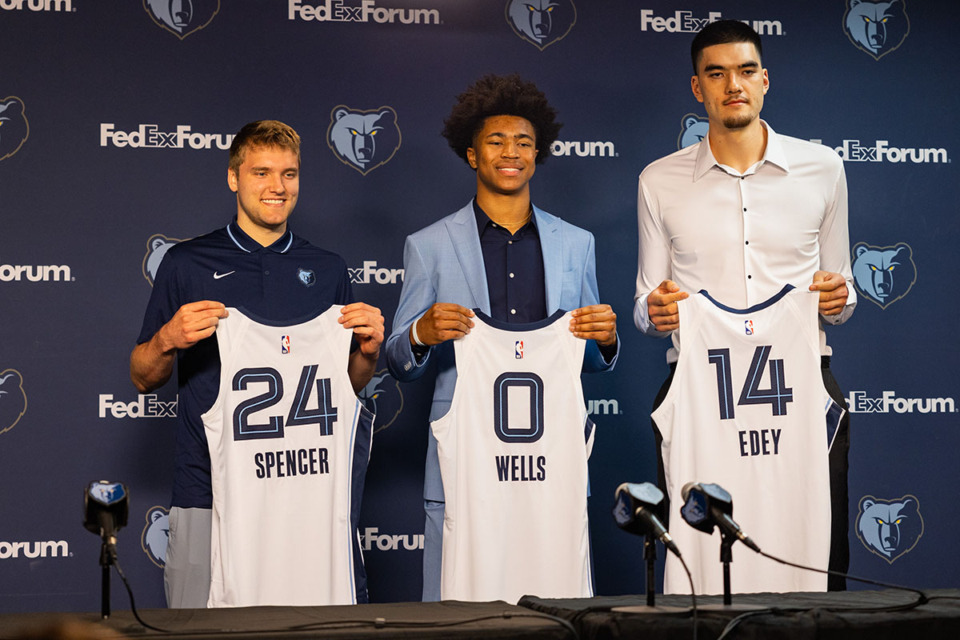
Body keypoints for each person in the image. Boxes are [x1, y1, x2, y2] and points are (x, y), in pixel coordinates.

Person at [634, 20, 855, 592]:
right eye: (717, 73)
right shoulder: (659, 180)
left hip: (801, 384)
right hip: (699, 387)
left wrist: (841, 297)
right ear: (697, 88)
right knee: (699, 548)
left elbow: (843, 290)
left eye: (745, 70)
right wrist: (653, 311)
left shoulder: (823, 168)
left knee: (818, 553)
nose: (733, 84)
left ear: (764, 80)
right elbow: (645, 302)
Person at [130, 120, 384, 607]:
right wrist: (166, 338)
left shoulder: (328, 268)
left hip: (308, 490)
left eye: (289, 174)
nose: (277, 187)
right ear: (234, 177)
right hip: (206, 488)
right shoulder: (187, 263)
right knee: (200, 629)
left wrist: (367, 354)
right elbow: (142, 375)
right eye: (262, 172)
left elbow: (345, 385)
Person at [385, 73, 619, 601]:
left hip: (549, 461)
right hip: (465, 467)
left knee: (558, 611)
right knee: (459, 616)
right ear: (472, 155)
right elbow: (397, 360)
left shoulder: (576, 244)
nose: (510, 152)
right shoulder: (429, 246)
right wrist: (421, 333)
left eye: (523, 142)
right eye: (495, 141)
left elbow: (587, 359)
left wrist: (604, 341)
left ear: (538, 154)